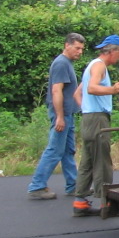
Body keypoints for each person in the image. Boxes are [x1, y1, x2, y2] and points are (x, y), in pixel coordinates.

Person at [72, 35, 119, 218]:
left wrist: (88, 109)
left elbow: (77, 93)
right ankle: (108, 204)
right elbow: (92, 88)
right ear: (111, 51)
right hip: (97, 120)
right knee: (102, 162)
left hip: (89, 118)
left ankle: (80, 203)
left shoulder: (91, 65)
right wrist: (112, 90)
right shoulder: (99, 66)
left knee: (87, 162)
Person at [27, 33, 87, 200]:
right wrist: (60, 117)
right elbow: (56, 91)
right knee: (54, 150)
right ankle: (37, 186)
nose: (80, 52)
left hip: (68, 114)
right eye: (77, 48)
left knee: (68, 151)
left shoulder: (67, 63)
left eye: (82, 49)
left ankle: (73, 185)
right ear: (67, 45)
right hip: (62, 115)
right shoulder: (61, 63)